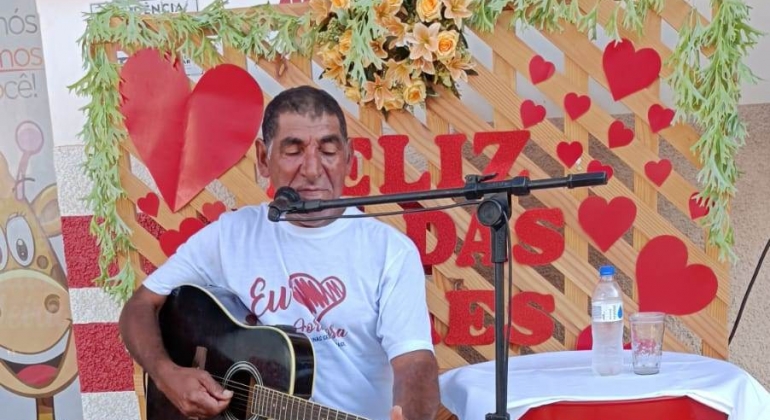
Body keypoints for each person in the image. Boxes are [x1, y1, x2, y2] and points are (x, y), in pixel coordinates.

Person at [118, 85, 440, 420]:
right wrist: (167, 374)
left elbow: (414, 361)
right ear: (262, 158)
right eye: (293, 151)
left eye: (328, 151)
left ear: (349, 158)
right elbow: (140, 306)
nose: (313, 169)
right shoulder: (232, 235)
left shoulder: (389, 250)